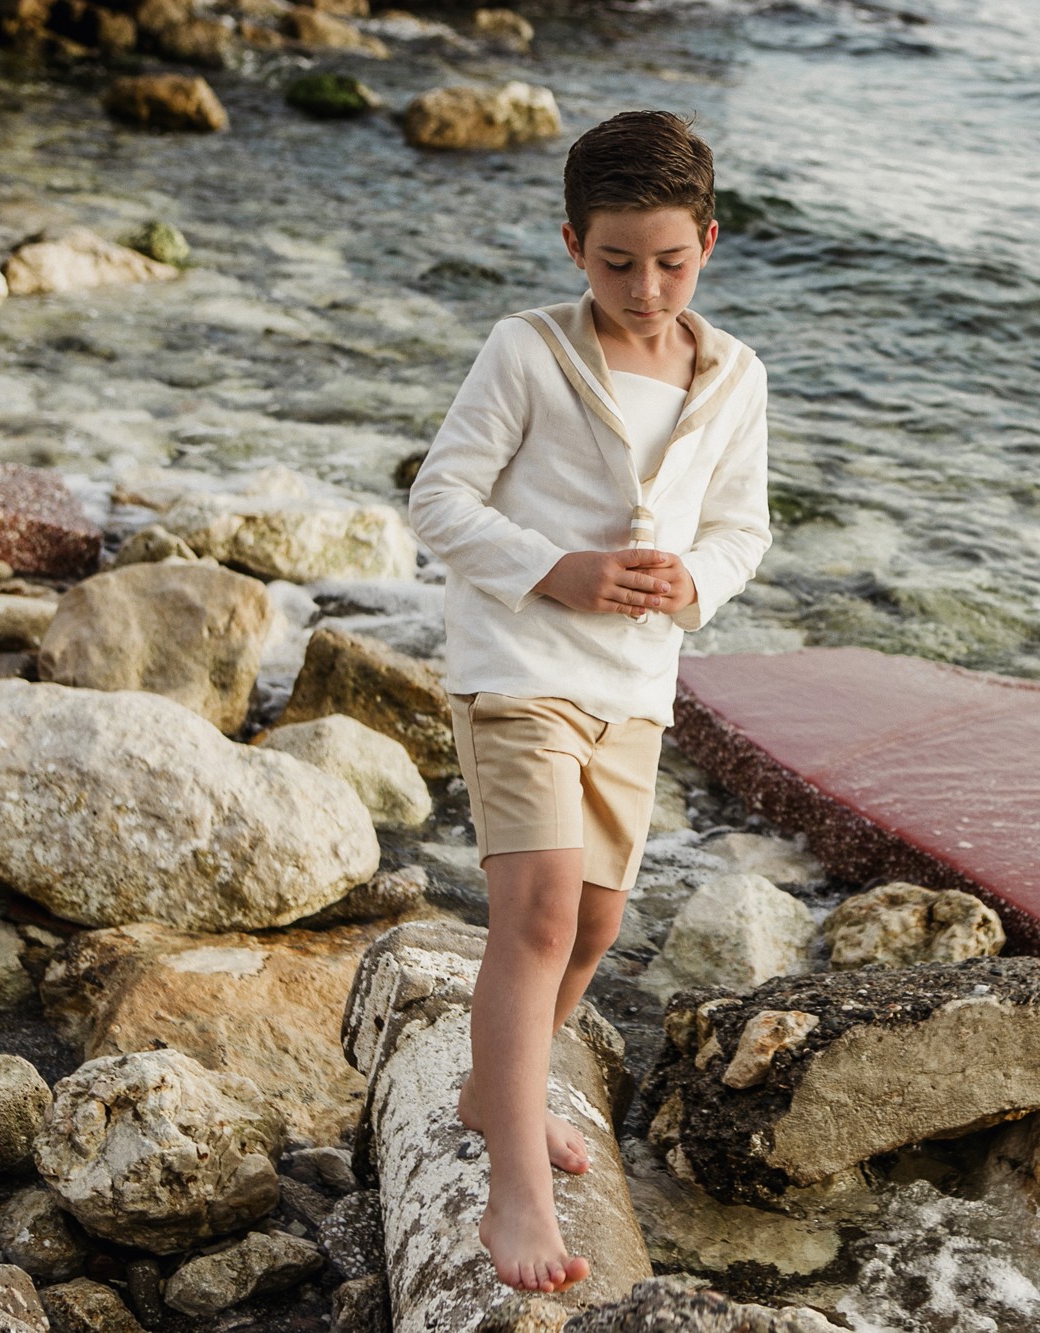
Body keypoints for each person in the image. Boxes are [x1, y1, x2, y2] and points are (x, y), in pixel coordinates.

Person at [405, 109, 771, 1295]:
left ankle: (485, 1081)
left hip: (634, 687)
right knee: (539, 915)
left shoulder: (734, 379)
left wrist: (697, 579)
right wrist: (552, 566)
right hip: (517, 666)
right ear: (572, 244)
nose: (643, 286)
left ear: (707, 242)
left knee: (599, 925)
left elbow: (741, 527)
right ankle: (513, 1177)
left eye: (668, 260)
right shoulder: (526, 350)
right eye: (616, 261)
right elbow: (437, 498)